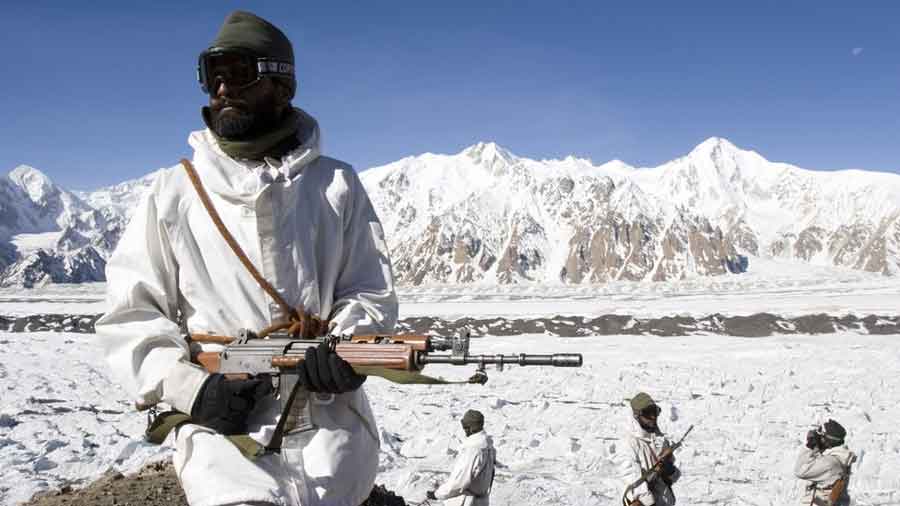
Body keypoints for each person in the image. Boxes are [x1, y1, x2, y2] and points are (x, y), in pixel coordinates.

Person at [95, 10, 397, 506]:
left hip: (332, 433)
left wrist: (346, 348)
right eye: (212, 77)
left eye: (239, 74)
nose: (221, 90)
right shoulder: (173, 193)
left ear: (281, 86)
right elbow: (133, 314)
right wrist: (192, 390)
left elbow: (368, 288)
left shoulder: (337, 185)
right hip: (225, 438)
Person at [619, 392, 681, 506]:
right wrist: (649, 503)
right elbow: (632, 480)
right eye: (648, 413)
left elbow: (672, 479)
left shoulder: (660, 440)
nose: (653, 417)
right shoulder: (628, 443)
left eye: (655, 412)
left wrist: (670, 470)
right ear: (636, 415)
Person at [426, 410, 496, 506]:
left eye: (465, 427)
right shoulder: (489, 446)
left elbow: (459, 482)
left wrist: (437, 494)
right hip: (482, 501)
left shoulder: (473, 449)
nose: (464, 430)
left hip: (467, 502)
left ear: (472, 428)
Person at [794, 419, 856, 506]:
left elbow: (800, 471)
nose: (819, 438)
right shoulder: (838, 458)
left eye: (821, 436)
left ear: (827, 440)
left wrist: (809, 447)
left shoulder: (830, 463)